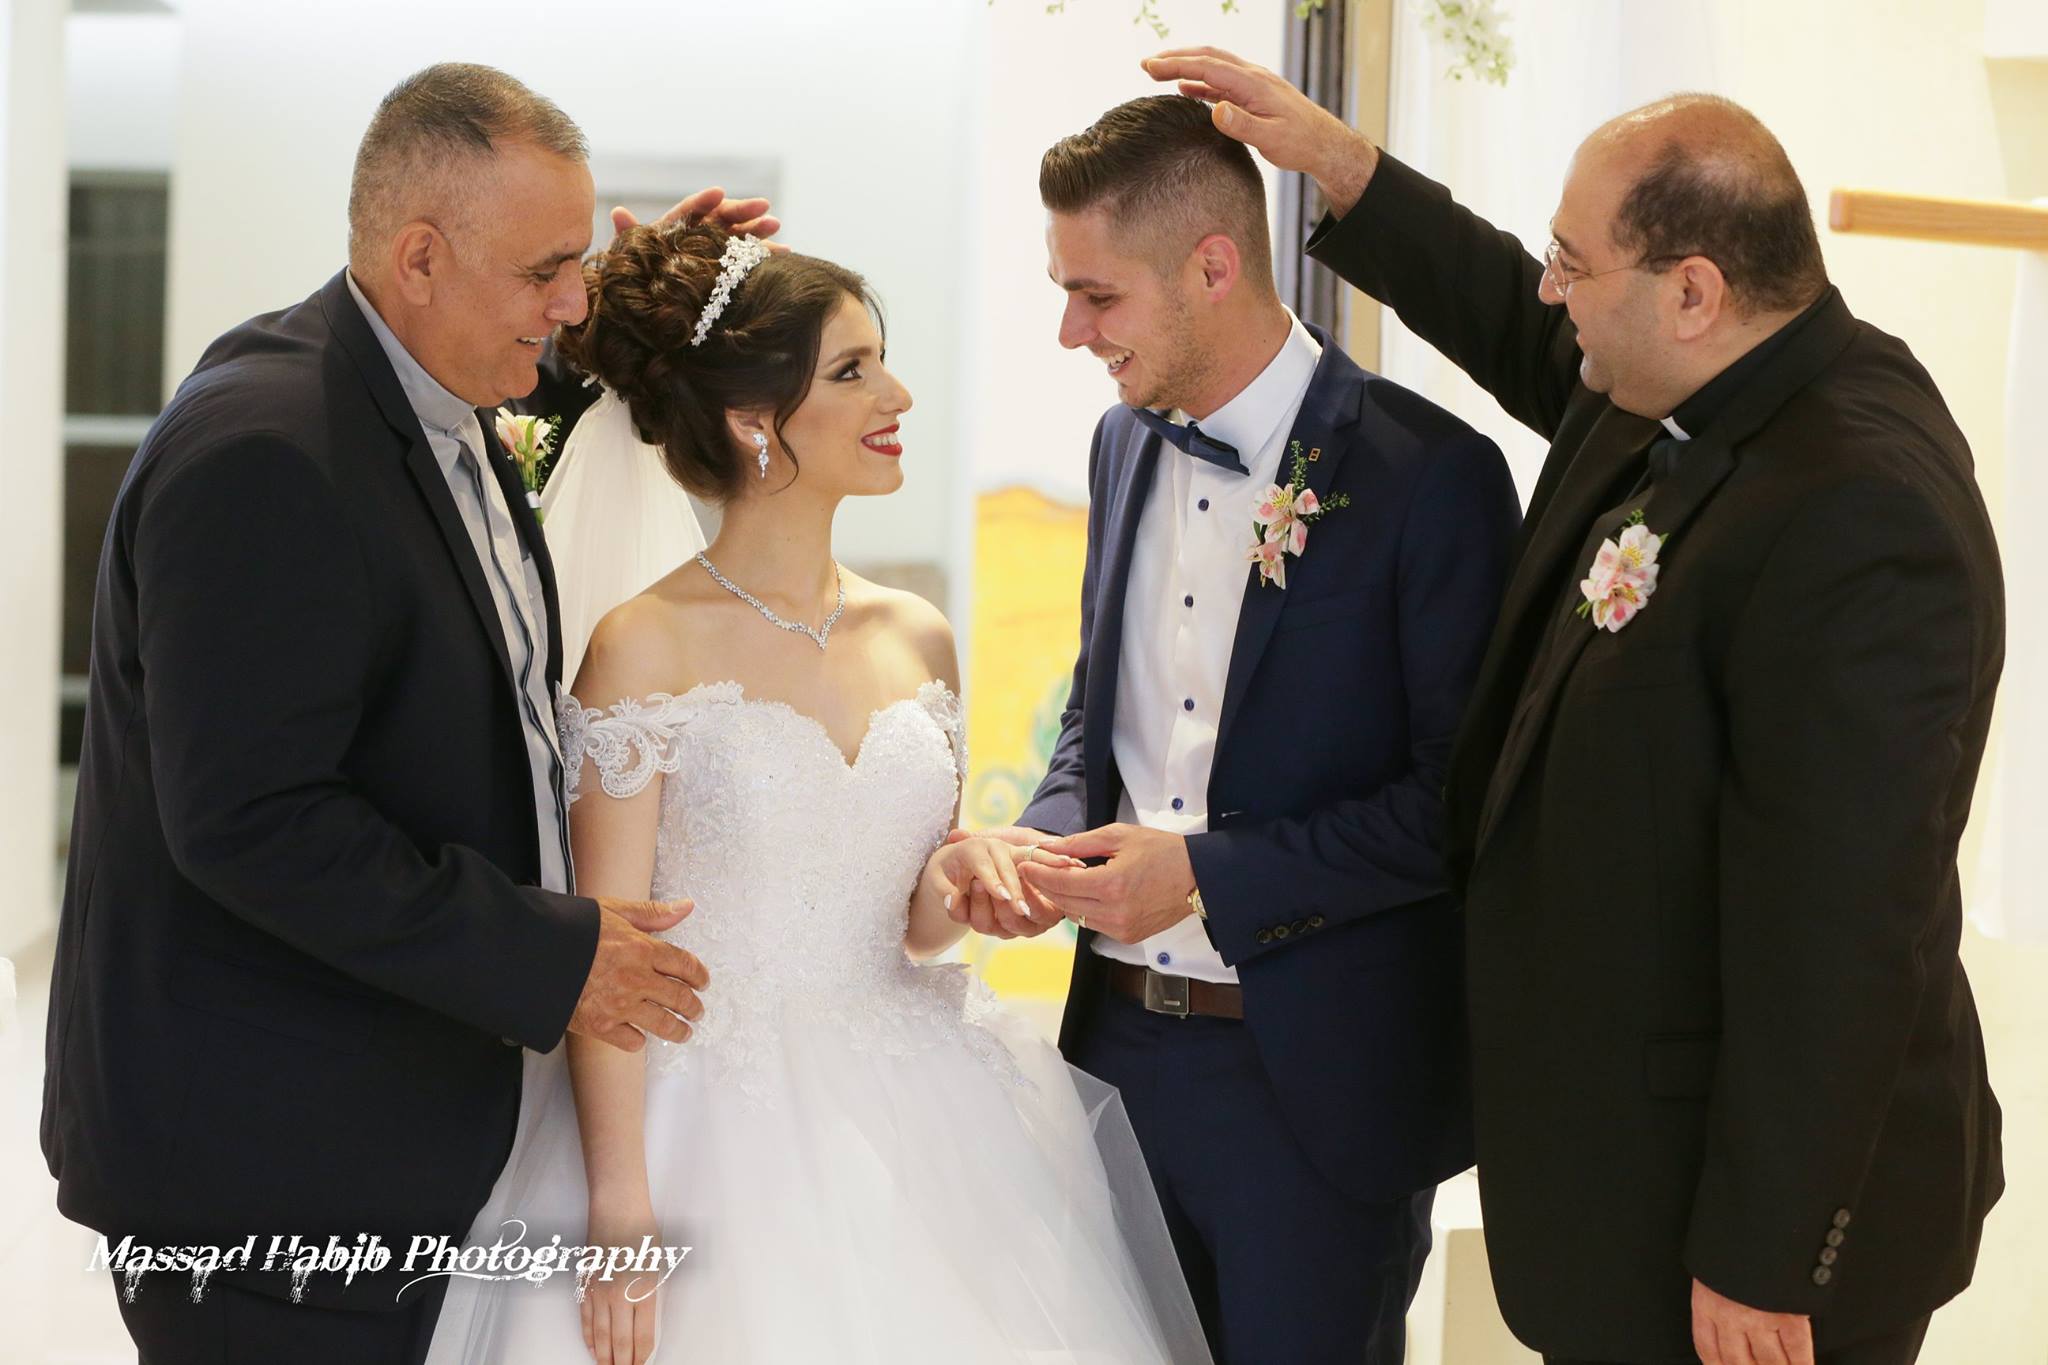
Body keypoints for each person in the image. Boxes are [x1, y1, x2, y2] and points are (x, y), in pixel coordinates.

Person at [1143, 47, 2006, 1365]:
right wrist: (1340, 166)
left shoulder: (1859, 515)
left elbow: (1838, 931)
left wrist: (1762, 1254)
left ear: (1693, 291)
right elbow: (1522, 326)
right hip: (1617, 1176)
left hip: (1743, 1243)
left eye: (1573, 262)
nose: (1551, 291)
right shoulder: (1693, 377)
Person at [41, 63, 768, 1362]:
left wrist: (644, 307)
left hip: (371, 1132)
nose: (571, 301)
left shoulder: (425, 383)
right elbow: (254, 820)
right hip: (261, 1183)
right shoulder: (267, 452)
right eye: (544, 269)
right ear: (420, 257)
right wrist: (552, 956)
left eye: (579, 263)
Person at [421, 219, 1215, 1365]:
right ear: (755, 421)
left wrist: (960, 870)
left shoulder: (917, 634)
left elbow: (917, 928)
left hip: (921, 1130)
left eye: (879, 361)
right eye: (851, 371)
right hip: (704, 1127)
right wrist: (622, 1205)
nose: (896, 394)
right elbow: (606, 958)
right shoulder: (643, 644)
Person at [969, 94, 1520, 1364]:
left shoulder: (1427, 474)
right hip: (1113, 1061)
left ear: (1212, 267)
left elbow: (1459, 801)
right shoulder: (1118, 444)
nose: (1069, 332)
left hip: (1311, 1091)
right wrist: (1042, 842)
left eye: (1096, 296)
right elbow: (1095, 715)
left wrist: (1205, 877)